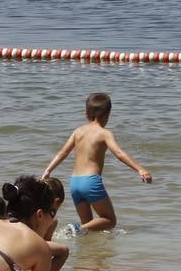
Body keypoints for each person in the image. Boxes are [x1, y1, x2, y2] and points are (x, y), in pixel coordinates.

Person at [42, 93, 151, 233]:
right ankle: (76, 228)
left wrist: (48, 170)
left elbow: (63, 152)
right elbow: (119, 153)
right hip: (91, 182)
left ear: (86, 113)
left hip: (75, 182)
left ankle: (90, 252)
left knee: (89, 227)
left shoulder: (78, 132)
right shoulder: (104, 133)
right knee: (110, 220)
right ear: (108, 115)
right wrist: (140, 169)